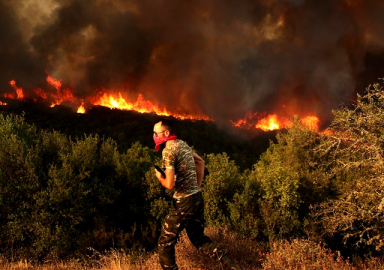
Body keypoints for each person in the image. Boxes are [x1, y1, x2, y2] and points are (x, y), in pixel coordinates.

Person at [153, 119, 241, 270]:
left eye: (156, 133)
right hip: (196, 198)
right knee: (199, 238)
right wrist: (196, 187)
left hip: (184, 202)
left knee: (165, 242)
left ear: (166, 133)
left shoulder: (168, 150)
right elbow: (200, 162)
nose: (154, 136)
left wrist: (160, 177)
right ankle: (231, 267)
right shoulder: (183, 144)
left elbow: (169, 184)